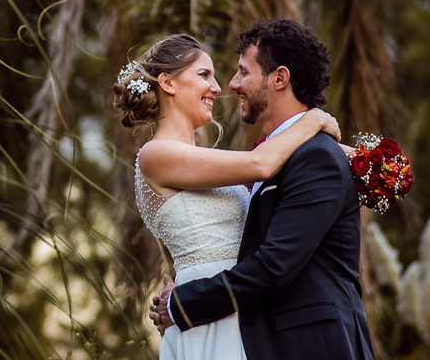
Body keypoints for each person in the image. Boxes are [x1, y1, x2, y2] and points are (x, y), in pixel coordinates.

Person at [149, 20, 376, 360]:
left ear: (280, 78)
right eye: (204, 75)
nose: (229, 84)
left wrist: (182, 303)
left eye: (243, 72)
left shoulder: (314, 156)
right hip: (244, 329)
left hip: (312, 342)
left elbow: (274, 265)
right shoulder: (278, 156)